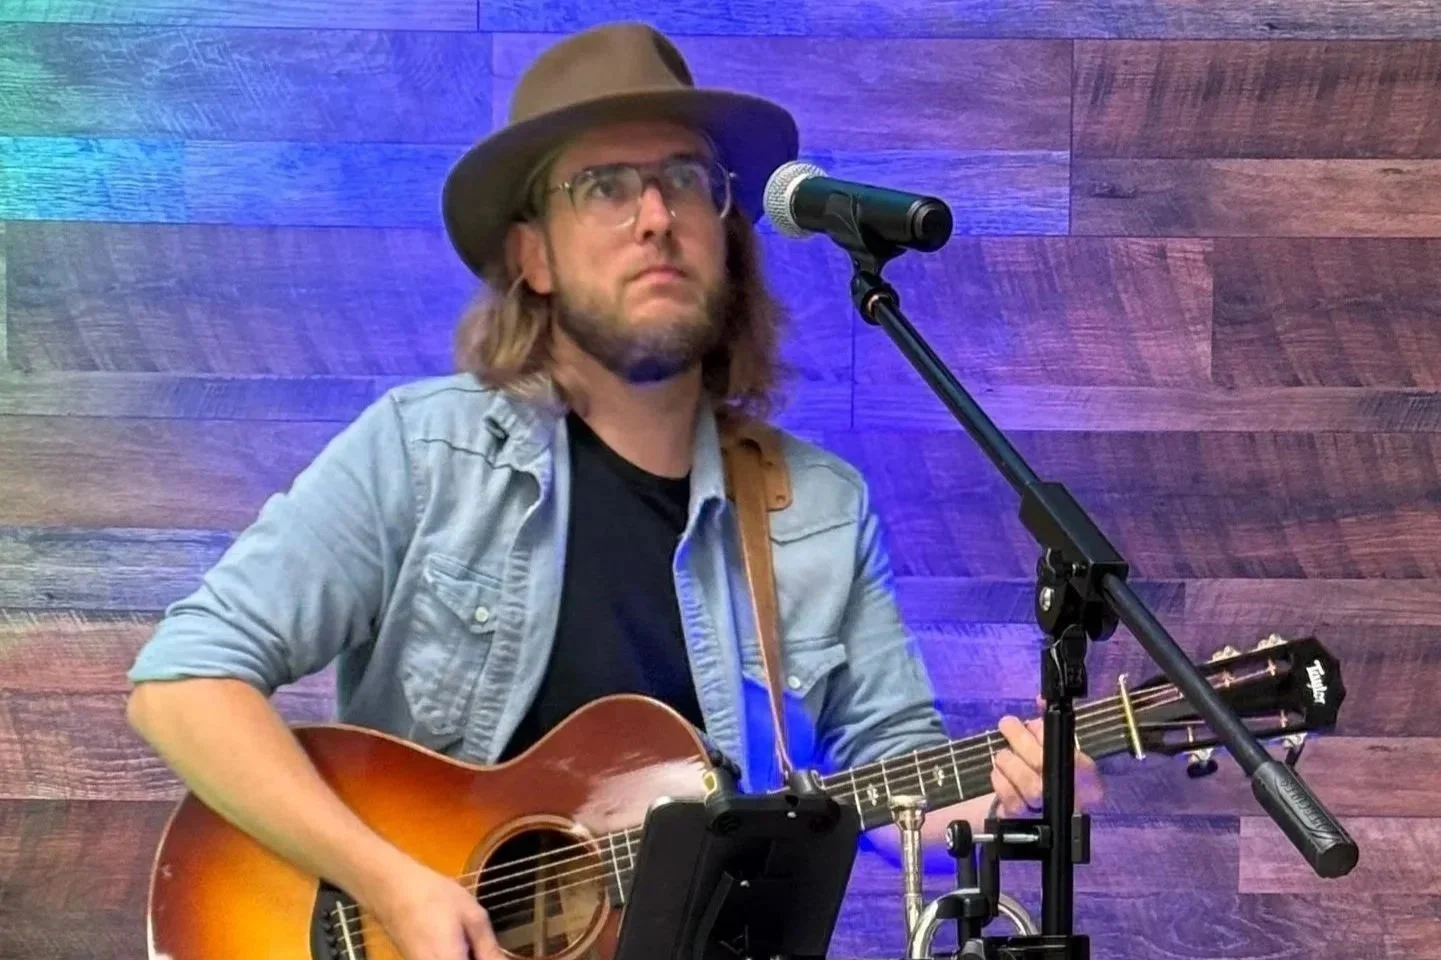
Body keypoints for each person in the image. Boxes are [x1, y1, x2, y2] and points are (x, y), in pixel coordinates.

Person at [125, 20, 1101, 960]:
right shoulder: (421, 453)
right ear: (532, 256)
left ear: (726, 230)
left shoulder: (819, 507)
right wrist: (388, 882)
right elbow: (181, 686)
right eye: (603, 187)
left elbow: (895, 780)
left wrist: (1005, 790)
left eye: (687, 179)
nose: (655, 216)